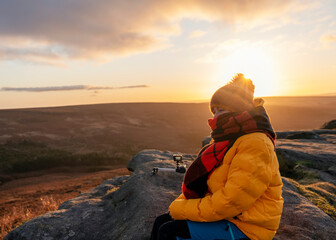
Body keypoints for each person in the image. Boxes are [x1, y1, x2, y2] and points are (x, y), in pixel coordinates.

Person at [150, 73, 284, 240]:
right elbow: (206, 187)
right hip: (228, 216)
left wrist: (181, 209)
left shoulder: (255, 144)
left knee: (169, 232)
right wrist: (179, 206)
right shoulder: (227, 140)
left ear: (238, 110)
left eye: (221, 110)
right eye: (214, 111)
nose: (215, 117)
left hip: (247, 227)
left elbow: (231, 201)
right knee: (161, 222)